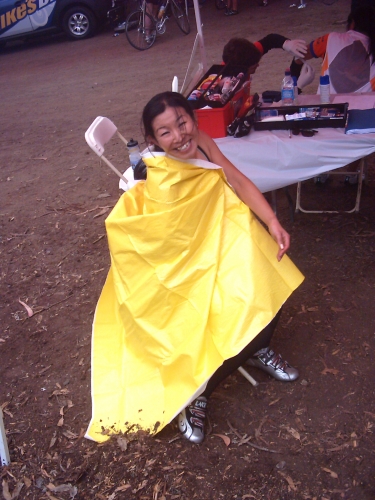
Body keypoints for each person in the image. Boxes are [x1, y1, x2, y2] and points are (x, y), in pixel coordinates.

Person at [86, 92, 304, 446]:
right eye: (166, 132)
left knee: (267, 272)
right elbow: (150, 230)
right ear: (154, 140)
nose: (179, 136)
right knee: (208, 321)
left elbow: (235, 179)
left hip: (219, 236)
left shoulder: (202, 143)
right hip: (184, 264)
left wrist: (272, 220)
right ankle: (198, 395)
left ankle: (259, 346)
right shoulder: (151, 171)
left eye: (182, 122)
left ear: (194, 119)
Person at [292, 5, 375, 94]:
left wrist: (296, 82)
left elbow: (299, 55)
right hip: (367, 107)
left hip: (328, 105)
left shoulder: (331, 39)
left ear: (352, 23)